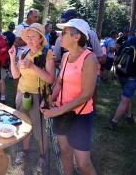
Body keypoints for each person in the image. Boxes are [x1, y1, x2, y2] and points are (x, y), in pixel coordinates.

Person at [41, 19, 97, 175]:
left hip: (80, 116)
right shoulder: (65, 57)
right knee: (65, 151)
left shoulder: (89, 59)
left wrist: (57, 111)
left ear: (76, 37)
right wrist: (49, 100)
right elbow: (60, 82)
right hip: (61, 111)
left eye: (64, 32)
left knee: (83, 164)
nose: (59, 35)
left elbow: (86, 95)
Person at [10, 23, 55, 172]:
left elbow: (50, 79)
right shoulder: (23, 53)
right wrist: (12, 58)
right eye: (27, 36)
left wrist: (32, 67)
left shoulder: (46, 53)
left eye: (33, 36)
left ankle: (43, 157)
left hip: (39, 96)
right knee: (24, 125)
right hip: (22, 93)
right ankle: (25, 152)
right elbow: (16, 75)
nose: (29, 39)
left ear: (41, 38)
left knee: (39, 128)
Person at [108, 23, 136, 130]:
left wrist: (117, 73)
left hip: (121, 74)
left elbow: (116, 59)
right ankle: (114, 122)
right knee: (125, 99)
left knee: (127, 96)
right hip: (133, 76)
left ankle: (129, 116)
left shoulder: (126, 42)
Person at [13, 9, 39, 106]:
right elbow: (16, 42)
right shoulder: (22, 26)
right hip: (22, 56)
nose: (37, 19)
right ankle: (17, 101)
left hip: (33, 56)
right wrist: (30, 41)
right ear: (29, 17)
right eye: (35, 17)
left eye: (38, 17)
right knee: (18, 78)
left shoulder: (35, 27)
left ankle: (29, 98)